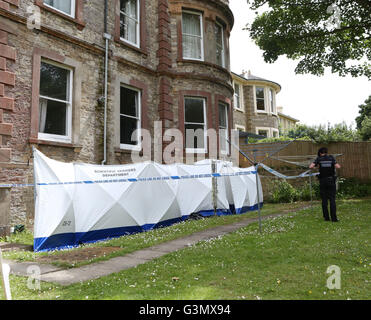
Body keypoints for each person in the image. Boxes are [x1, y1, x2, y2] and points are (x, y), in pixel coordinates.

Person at [309, 147, 341, 222]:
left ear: (320, 153)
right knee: (332, 199)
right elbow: (338, 167)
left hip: (323, 181)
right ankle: (334, 218)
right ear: (326, 152)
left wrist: (317, 168)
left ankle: (326, 218)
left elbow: (311, 166)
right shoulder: (331, 158)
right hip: (331, 180)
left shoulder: (319, 159)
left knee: (324, 200)